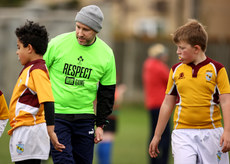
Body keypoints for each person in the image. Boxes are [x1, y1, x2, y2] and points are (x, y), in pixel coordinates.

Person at [149, 19, 230, 164]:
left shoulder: (218, 69)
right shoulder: (175, 70)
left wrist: (227, 131)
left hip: (212, 134)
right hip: (183, 133)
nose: (177, 51)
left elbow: (226, 101)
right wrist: (157, 135)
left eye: (182, 48)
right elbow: (167, 103)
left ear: (196, 49)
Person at [43, 5, 116, 164]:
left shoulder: (106, 54)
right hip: (57, 116)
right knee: (64, 161)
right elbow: (37, 74)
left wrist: (100, 125)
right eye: (78, 27)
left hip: (85, 119)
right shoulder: (57, 44)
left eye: (86, 30)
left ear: (96, 31)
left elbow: (107, 93)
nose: (80, 33)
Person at [8, 20, 65, 164]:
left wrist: (51, 131)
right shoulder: (31, 68)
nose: (17, 51)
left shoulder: (37, 71)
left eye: (19, 47)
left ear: (29, 48)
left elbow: (48, 100)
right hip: (24, 131)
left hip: (29, 132)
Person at [142, 43, 170, 164]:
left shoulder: (147, 65)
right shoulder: (160, 67)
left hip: (151, 104)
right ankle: (162, 160)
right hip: (162, 105)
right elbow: (172, 81)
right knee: (165, 135)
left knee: (154, 133)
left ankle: (153, 160)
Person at [96, 82, 126, 164]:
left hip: (104, 115)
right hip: (109, 116)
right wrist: (120, 92)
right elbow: (114, 100)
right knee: (107, 139)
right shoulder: (105, 85)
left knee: (102, 140)